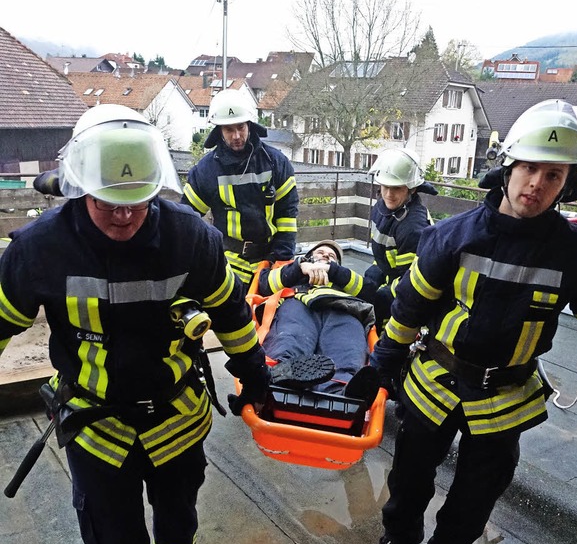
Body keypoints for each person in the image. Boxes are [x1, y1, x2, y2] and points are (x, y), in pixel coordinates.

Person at [362, 99, 577, 544]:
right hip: (436, 379)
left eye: (553, 175)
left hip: (506, 395)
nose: (537, 183)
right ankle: (397, 538)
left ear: (567, 184)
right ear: (508, 167)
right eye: (530, 167)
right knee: (407, 478)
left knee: (475, 497)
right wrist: (383, 360)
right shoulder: (452, 237)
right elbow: (411, 304)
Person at [0, 104, 271, 544]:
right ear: (82, 188)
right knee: (115, 543)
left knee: (179, 512)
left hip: (177, 416)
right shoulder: (38, 252)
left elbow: (231, 311)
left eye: (138, 200)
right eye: (108, 201)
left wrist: (255, 376)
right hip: (96, 426)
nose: (124, 215)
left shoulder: (192, 239)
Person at [181, 89, 299, 288]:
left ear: (250, 125)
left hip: (270, 261)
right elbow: (187, 218)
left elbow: (287, 213)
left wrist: (283, 258)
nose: (236, 135)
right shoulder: (206, 170)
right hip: (227, 264)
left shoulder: (276, 162)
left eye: (241, 127)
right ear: (219, 130)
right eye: (229, 129)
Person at [256, 240, 381, 405]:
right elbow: (264, 284)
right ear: (309, 256)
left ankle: (343, 390)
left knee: (347, 348)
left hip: (343, 309)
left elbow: (370, 292)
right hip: (299, 303)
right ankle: (281, 375)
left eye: (332, 256)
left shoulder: (345, 278)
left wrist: (334, 271)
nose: (326, 256)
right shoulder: (294, 271)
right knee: (291, 337)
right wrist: (300, 267)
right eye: (320, 252)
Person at [366, 147, 436, 332]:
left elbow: (411, 280)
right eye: (385, 186)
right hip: (391, 271)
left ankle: (383, 338)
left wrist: (386, 292)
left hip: (412, 282)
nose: (389, 194)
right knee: (370, 278)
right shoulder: (383, 207)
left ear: (411, 189)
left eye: (396, 188)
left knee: (382, 298)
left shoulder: (412, 227)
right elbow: (382, 249)